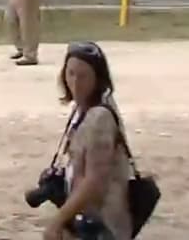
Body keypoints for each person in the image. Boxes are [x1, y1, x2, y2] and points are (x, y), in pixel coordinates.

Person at [44, 41, 134, 240]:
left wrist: (58, 220)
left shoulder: (100, 117)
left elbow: (95, 181)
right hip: (84, 218)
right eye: (71, 74)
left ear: (97, 78)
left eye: (83, 76)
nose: (75, 83)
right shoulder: (83, 108)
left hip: (100, 225)